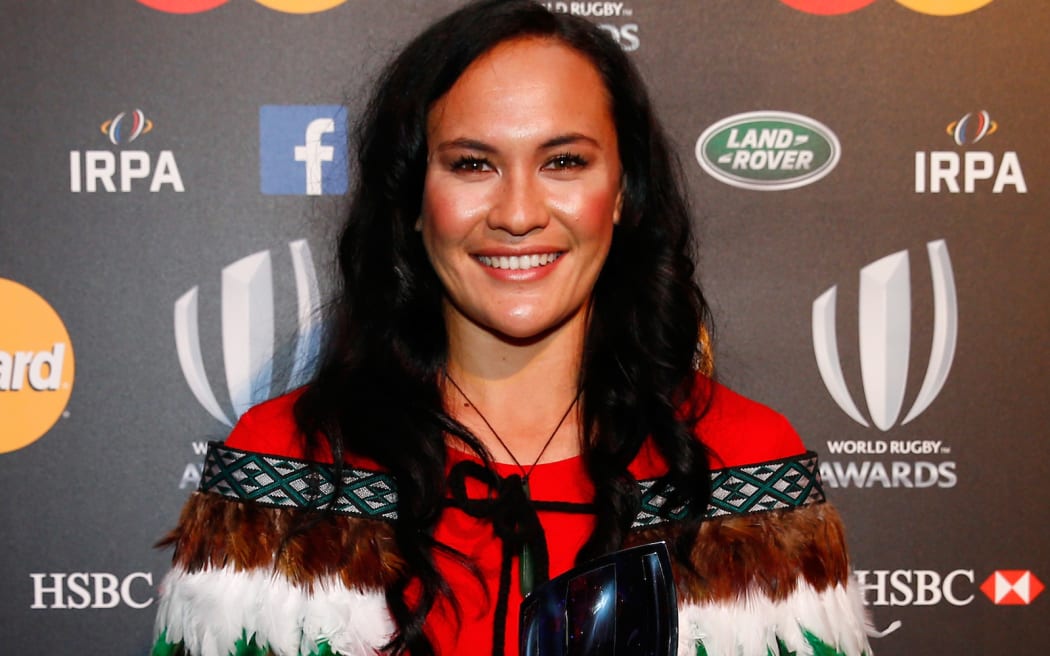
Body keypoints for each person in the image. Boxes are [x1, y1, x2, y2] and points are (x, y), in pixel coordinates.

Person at [152, 1, 872, 655]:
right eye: (473, 164)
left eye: (564, 161)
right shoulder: (285, 468)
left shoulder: (744, 465)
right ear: (412, 197)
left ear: (622, 192)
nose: (519, 211)